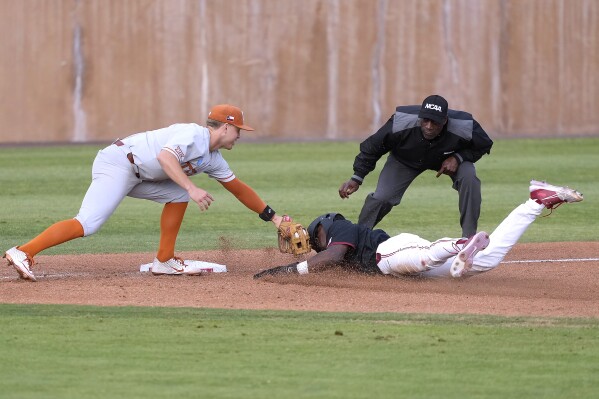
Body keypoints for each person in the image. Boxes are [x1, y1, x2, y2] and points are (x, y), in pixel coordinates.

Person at [4, 104, 290, 281]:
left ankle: (164, 260)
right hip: (118, 164)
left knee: (176, 195)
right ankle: (23, 252)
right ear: (225, 127)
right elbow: (167, 158)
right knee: (88, 224)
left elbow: (239, 189)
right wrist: (191, 187)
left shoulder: (213, 158)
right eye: (238, 130)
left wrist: (274, 218)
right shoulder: (193, 135)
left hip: (140, 173)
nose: (240, 135)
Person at [254, 180, 583, 280]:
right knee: (487, 261)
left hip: (391, 252)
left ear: (319, 230)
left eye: (311, 240)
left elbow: (334, 254)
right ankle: (536, 201)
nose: (308, 245)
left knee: (425, 257)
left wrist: (286, 270)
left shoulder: (335, 227)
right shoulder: (330, 246)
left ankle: (461, 243)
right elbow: (329, 262)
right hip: (403, 266)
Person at [338, 94, 493, 238]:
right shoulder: (401, 122)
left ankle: (469, 239)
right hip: (404, 160)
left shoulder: (464, 126)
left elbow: (484, 144)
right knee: (382, 197)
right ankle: (358, 239)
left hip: (446, 159)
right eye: (425, 120)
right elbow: (373, 147)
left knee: (469, 178)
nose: (429, 126)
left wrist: (459, 158)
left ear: (445, 120)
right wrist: (357, 177)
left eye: (435, 122)